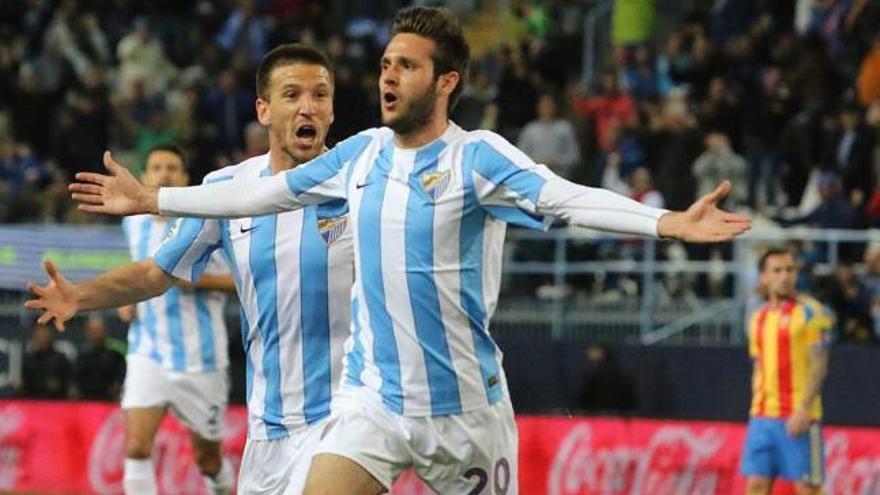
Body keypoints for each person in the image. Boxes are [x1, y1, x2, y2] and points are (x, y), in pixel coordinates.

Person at [66, 7, 750, 495]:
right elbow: (256, 196)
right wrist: (157, 200)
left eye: (408, 67)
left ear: (445, 81)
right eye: (386, 64)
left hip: (465, 413)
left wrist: (667, 224)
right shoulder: (357, 155)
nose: (388, 77)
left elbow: (565, 197)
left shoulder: (478, 159)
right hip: (373, 402)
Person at [27, 44, 352, 495]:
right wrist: (79, 297)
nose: (308, 106)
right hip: (269, 425)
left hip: (347, 419)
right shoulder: (224, 190)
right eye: (292, 94)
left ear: (332, 110)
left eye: (321, 95)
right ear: (263, 110)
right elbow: (154, 273)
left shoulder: (359, 183)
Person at [30, 144, 237, 495]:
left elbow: (239, 281)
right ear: (144, 176)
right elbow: (137, 279)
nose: (164, 174)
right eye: (156, 167)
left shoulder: (203, 220)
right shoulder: (135, 225)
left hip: (201, 360)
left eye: (172, 168)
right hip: (147, 352)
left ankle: (221, 487)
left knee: (208, 460)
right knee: (136, 448)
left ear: (186, 178)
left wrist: (190, 278)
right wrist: (126, 305)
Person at [741, 247, 833, 495]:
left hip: (799, 415)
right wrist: (755, 408)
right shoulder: (757, 317)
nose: (785, 276)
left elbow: (820, 363)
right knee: (757, 486)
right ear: (764, 276)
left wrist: (803, 408)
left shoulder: (812, 312)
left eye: (790, 270)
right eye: (777, 270)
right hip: (762, 416)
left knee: (807, 488)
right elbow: (758, 367)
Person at [74, 315, 126, 401]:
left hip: (109, 401)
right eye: (92, 330)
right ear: (87, 332)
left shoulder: (115, 355)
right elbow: (75, 380)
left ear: (105, 331)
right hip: (85, 401)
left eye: (98, 330)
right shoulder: (81, 356)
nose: (95, 333)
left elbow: (120, 377)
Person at [21, 324, 72, 399]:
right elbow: (25, 382)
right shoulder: (29, 360)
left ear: (50, 337)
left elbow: (67, 380)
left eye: (43, 335)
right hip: (33, 400)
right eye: (38, 336)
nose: (41, 338)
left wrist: (59, 384)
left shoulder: (60, 358)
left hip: (56, 400)